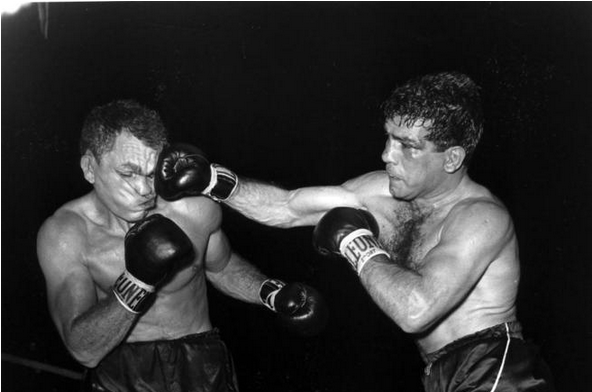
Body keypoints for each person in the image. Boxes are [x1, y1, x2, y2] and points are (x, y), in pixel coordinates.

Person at [160, 72, 556, 391]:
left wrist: (354, 242)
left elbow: (416, 310)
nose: (387, 155)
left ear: (451, 158)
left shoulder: (481, 218)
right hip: (441, 370)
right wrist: (214, 181)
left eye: (407, 147)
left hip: (494, 367)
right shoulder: (378, 191)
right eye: (388, 138)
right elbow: (286, 206)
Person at [36, 99, 328, 392]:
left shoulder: (192, 209)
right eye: (128, 173)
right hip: (121, 373)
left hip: (201, 361)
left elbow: (221, 266)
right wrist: (136, 282)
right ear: (90, 167)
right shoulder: (66, 235)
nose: (144, 190)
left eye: (151, 173)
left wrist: (272, 293)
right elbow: (83, 350)